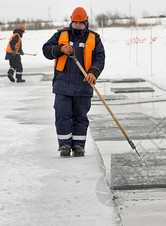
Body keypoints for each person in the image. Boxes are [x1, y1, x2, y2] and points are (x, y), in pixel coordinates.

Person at [42, 7, 105, 157]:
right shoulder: (60, 35)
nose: (77, 25)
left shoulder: (93, 38)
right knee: (62, 115)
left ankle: (78, 146)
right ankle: (64, 145)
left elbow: (100, 58)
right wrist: (60, 48)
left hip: (84, 85)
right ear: (71, 21)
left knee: (80, 117)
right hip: (63, 85)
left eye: (80, 23)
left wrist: (93, 72)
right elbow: (46, 50)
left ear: (86, 22)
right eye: (75, 23)